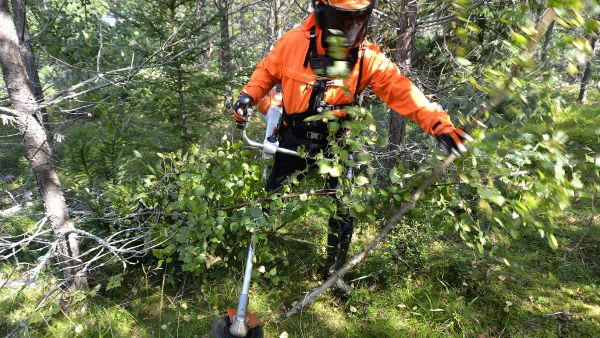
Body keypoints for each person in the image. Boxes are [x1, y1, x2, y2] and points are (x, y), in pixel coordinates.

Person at [233, 0, 471, 292]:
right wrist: (249, 95)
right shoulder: (293, 43)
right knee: (271, 194)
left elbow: (401, 89)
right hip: (292, 137)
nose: (349, 29)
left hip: (336, 142)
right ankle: (258, 253)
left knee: (343, 208)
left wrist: (439, 125)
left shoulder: (366, 57)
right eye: (343, 20)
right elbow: (266, 73)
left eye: (357, 20)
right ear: (322, 14)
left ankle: (333, 272)